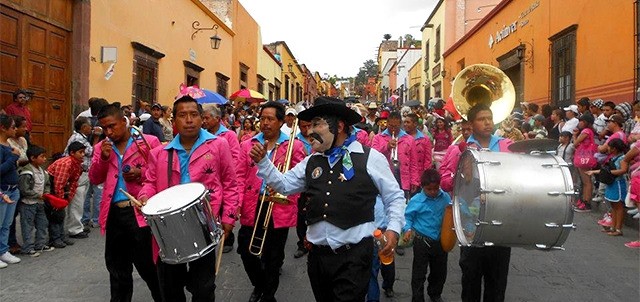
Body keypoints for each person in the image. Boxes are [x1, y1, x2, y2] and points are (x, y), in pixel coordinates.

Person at [249, 96, 406, 302]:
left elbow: (394, 196)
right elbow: (285, 185)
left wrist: (393, 230)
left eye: (317, 124)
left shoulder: (370, 158)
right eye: (309, 125)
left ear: (339, 126)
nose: (310, 131)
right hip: (318, 259)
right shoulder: (311, 161)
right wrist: (263, 162)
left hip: (354, 258)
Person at [138, 92, 239, 302]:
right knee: (171, 289)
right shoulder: (160, 152)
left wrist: (229, 218)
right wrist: (145, 195)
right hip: (168, 229)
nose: (189, 120)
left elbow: (230, 182)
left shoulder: (218, 145)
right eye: (183, 115)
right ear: (173, 120)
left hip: (205, 225)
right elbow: (149, 181)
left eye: (194, 114)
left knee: (203, 288)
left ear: (202, 118)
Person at [88, 104, 162, 302]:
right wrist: (103, 158)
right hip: (114, 214)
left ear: (124, 122)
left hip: (141, 213)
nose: (109, 132)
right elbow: (95, 178)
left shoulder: (148, 142)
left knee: (150, 267)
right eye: (104, 128)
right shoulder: (102, 147)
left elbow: (161, 175)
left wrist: (140, 174)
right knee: (117, 270)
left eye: (112, 126)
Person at [236, 101, 306, 302]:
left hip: (277, 205)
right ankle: (259, 285)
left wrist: (288, 193)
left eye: (270, 119)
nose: (265, 123)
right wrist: (237, 205)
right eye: (262, 119)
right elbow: (239, 176)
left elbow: (299, 178)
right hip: (253, 203)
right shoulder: (248, 143)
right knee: (246, 250)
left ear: (281, 122)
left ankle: (268, 295)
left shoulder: (294, 145)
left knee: (272, 257)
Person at [453, 104, 513, 302]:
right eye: (481, 119)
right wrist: (462, 174)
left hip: (501, 221)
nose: (487, 122)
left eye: (490, 118)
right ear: (471, 124)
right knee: (470, 280)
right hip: (471, 223)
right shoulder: (461, 149)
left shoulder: (507, 145)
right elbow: (446, 181)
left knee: (497, 283)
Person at [403, 169, 450, 302]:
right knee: (419, 272)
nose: (433, 192)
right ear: (423, 187)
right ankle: (417, 297)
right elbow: (408, 217)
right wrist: (407, 229)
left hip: (440, 241)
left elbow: (453, 211)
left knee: (439, 271)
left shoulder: (445, 197)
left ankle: (435, 293)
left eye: (436, 188)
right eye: (429, 189)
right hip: (422, 241)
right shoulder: (416, 200)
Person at [202, 104, 241, 254]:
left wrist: (230, 176)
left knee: (226, 208)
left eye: (207, 118)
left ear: (217, 119)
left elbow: (236, 157)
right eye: (203, 117)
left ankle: (228, 239)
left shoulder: (228, 135)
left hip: (225, 178)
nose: (204, 121)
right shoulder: (203, 135)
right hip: (210, 179)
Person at [46, 141, 86, 249]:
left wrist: (68, 198)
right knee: (56, 213)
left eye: (84, 152)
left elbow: (74, 182)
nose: (83, 155)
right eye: (80, 152)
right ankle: (55, 239)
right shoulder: (65, 163)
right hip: (51, 185)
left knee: (61, 213)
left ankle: (61, 236)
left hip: (61, 186)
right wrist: (60, 199)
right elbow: (58, 183)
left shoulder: (78, 164)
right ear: (72, 153)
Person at [586, 138, 628, 236]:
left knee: (619, 207)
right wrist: (594, 171)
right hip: (611, 183)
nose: (608, 148)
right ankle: (613, 227)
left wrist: (609, 172)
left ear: (614, 148)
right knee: (613, 206)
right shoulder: (613, 157)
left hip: (618, 183)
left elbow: (623, 170)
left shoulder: (622, 158)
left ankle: (618, 229)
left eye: (609, 147)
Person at [18, 145, 54, 257]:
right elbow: (24, 189)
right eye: (42, 157)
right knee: (28, 225)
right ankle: (28, 247)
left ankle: (40, 244)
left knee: (43, 223)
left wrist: (46, 193)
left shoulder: (43, 172)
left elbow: (47, 184)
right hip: (28, 203)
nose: (44, 159)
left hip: (40, 203)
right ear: (33, 158)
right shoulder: (26, 172)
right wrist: (38, 195)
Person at [63, 117, 94, 239]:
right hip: (78, 174)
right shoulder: (77, 138)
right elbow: (91, 151)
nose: (91, 128)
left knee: (81, 200)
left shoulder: (83, 138)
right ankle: (74, 228)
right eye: (88, 125)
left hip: (83, 173)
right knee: (77, 201)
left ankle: (78, 225)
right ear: (83, 127)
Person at [0, 114, 22, 268]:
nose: (15, 130)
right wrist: (12, 159)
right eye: (13, 127)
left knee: (7, 223)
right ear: (3, 128)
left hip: (13, 189)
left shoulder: (10, 146)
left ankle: (3, 250)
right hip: (3, 190)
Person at [6, 115, 29, 254]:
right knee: (10, 214)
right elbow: (12, 161)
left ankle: (12, 241)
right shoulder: (7, 142)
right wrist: (19, 161)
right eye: (22, 127)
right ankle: (10, 242)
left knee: (17, 210)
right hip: (12, 175)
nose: (25, 129)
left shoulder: (22, 140)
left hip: (22, 176)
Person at [294, 118, 313, 259]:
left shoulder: (318, 138)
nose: (306, 129)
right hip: (301, 183)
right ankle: (302, 243)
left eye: (308, 126)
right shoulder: (295, 140)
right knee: (300, 216)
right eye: (303, 126)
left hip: (316, 181)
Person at [572, 114, 598, 213]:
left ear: (586, 122)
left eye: (581, 121)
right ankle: (585, 201)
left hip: (584, 158)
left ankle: (586, 202)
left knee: (586, 182)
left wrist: (575, 135)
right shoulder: (590, 131)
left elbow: (575, 143)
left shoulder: (585, 131)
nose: (579, 123)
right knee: (586, 181)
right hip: (585, 157)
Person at [439, 120, 473, 194]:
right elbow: (443, 169)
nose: (466, 133)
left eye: (469, 129)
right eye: (463, 130)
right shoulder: (453, 148)